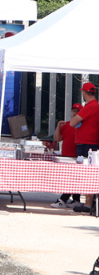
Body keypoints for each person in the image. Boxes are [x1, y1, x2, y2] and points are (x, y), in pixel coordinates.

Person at [71, 83, 99, 214]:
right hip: (89, 143)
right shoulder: (94, 106)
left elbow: (73, 122)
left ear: (85, 93)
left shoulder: (90, 106)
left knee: (87, 174)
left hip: (87, 144)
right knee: (89, 173)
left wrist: (77, 121)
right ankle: (88, 202)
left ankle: (88, 203)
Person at [51, 103, 82, 208]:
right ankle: (75, 199)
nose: (75, 113)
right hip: (66, 156)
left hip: (76, 156)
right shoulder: (66, 125)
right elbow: (57, 139)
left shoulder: (83, 126)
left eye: (77, 111)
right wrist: (58, 127)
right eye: (73, 110)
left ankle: (64, 199)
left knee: (72, 178)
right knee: (69, 178)